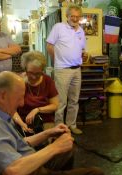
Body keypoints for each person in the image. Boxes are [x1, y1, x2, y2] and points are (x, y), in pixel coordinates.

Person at [0, 71, 105, 175]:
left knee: (68, 150)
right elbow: (13, 171)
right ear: (2, 96)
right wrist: (55, 147)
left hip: (26, 166)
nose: (22, 103)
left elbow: (19, 143)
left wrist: (47, 133)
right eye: (19, 97)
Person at [47, 4, 85, 134]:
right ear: (67, 16)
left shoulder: (81, 30)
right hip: (62, 70)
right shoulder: (59, 27)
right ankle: (58, 127)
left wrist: (81, 55)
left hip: (77, 70)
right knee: (61, 101)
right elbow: (49, 45)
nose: (74, 19)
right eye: (72, 16)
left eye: (77, 16)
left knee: (74, 100)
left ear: (80, 17)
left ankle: (71, 125)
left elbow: (81, 48)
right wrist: (56, 60)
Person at [13, 51, 58, 134]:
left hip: (45, 119)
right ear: (25, 68)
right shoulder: (18, 81)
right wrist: (21, 124)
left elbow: (55, 105)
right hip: (22, 119)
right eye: (30, 73)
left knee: (46, 139)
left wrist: (37, 110)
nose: (34, 77)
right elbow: (12, 109)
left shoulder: (48, 81)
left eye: (38, 73)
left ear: (42, 70)